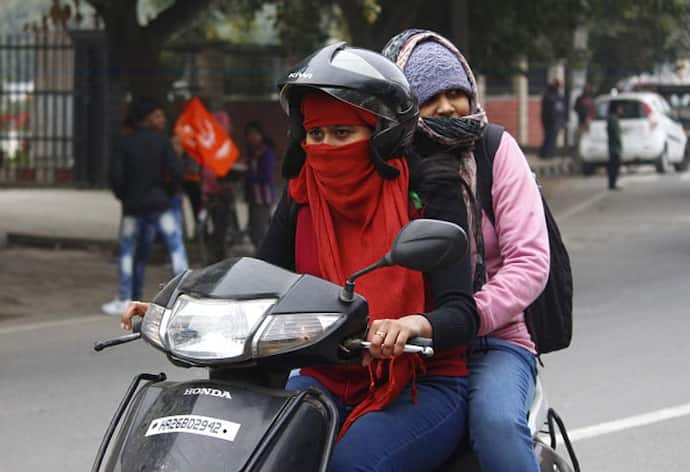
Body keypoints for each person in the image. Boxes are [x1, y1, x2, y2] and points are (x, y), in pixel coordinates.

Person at [122, 43, 480, 471]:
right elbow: (256, 282)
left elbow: (461, 312)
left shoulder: (430, 190)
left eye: (342, 133)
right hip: (324, 375)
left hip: (422, 384)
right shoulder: (301, 195)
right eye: (316, 134)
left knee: (351, 465)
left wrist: (409, 325)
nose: (326, 147)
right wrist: (180, 311)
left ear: (381, 134)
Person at [383, 30, 550, 472]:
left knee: (495, 426)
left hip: (492, 341)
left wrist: (465, 317)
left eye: (456, 92)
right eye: (429, 96)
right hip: (403, 345)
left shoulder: (496, 150)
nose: (447, 107)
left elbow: (530, 263)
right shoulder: (387, 161)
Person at [102, 98, 189, 316]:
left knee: (129, 253)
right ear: (148, 118)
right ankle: (186, 296)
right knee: (176, 249)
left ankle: (125, 297)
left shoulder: (125, 143)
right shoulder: (162, 142)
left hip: (133, 207)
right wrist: (168, 192)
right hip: (161, 204)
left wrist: (125, 197)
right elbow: (177, 172)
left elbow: (116, 177)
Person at [243, 120, 276, 249]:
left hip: (262, 197)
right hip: (252, 196)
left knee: (260, 231)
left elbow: (267, 176)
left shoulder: (266, 152)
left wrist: (247, 174)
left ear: (261, 135)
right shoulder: (251, 152)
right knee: (254, 229)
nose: (252, 137)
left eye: (255, 134)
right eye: (249, 135)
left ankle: (263, 260)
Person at [539, 78, 566, 159]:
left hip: (556, 120)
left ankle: (550, 153)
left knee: (552, 138)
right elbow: (548, 110)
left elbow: (561, 110)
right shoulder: (549, 95)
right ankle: (545, 154)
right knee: (549, 137)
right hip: (549, 121)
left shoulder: (558, 96)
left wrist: (561, 122)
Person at [573, 84, 595, 153]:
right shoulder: (579, 99)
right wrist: (583, 115)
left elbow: (593, 110)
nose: (586, 91)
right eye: (585, 89)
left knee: (588, 138)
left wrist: (590, 117)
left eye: (587, 90)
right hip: (581, 122)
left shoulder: (591, 99)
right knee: (580, 139)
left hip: (589, 122)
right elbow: (575, 108)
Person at [607, 102, 623, 190]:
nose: (621, 110)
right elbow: (616, 134)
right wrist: (619, 143)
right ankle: (612, 183)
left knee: (613, 165)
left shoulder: (612, 118)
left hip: (613, 146)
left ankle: (612, 183)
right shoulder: (613, 119)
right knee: (614, 165)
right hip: (615, 147)